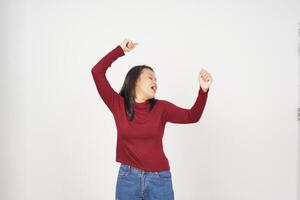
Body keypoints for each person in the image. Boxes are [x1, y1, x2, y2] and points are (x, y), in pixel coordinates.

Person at [91, 38, 213, 200]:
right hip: (128, 178)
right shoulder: (118, 104)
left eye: (156, 79)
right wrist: (120, 50)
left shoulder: (161, 108)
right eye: (150, 77)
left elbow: (192, 116)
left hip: (159, 179)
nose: (155, 82)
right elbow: (97, 72)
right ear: (135, 81)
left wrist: (203, 90)